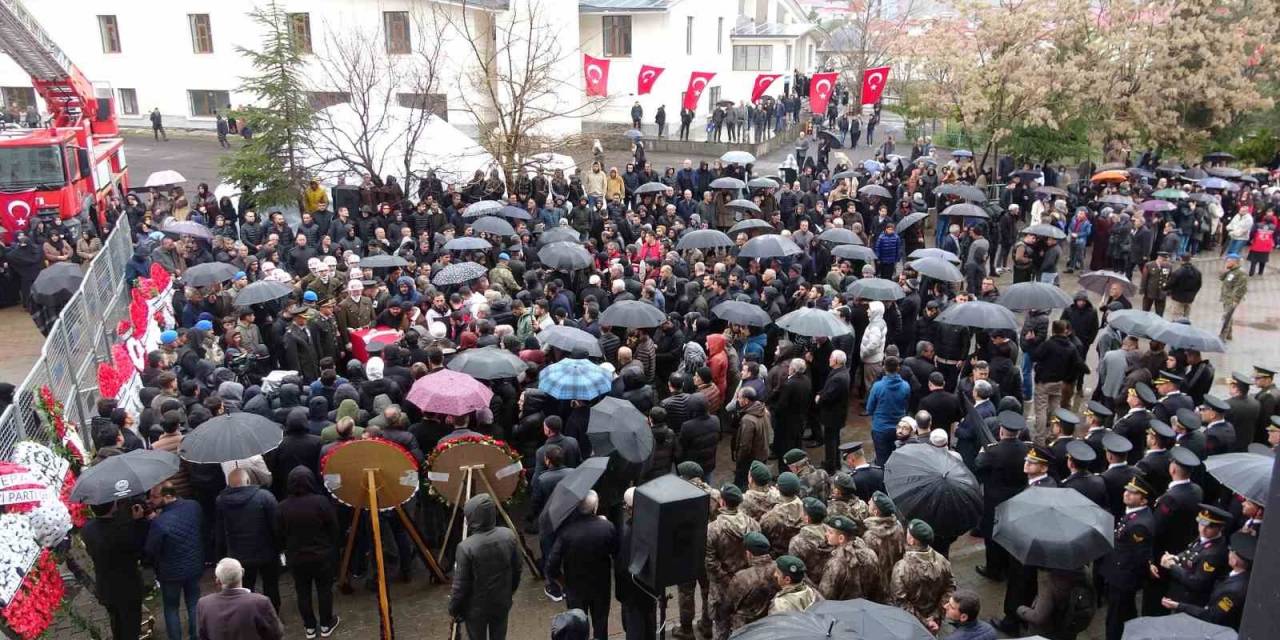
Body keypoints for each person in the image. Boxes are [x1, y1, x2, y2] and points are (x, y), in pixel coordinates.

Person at [277, 465, 340, 637]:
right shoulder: (321, 502)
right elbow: (333, 527)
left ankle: (310, 626)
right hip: (321, 555)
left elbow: (279, 533)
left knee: (302, 592)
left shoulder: (282, 507)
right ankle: (326, 623)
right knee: (324, 590)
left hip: (296, 557)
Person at [450, 494, 522, 640]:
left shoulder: (466, 547)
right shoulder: (508, 535)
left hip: (476, 609)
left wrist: (454, 608)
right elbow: (517, 568)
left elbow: (461, 585)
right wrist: (510, 591)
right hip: (502, 601)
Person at [547, 491, 616, 640]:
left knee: (575, 628)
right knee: (601, 625)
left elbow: (551, 566)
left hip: (575, 588)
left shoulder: (566, 532)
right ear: (595, 507)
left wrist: (563, 582)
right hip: (600, 587)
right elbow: (616, 552)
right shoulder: (607, 527)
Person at [82, 498, 149, 640]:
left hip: (106, 588)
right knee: (131, 627)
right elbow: (139, 547)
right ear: (113, 506)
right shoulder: (123, 529)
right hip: (128, 588)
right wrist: (138, 521)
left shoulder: (88, 529)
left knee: (117, 623)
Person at [215, 468, 281, 611]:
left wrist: (221, 554)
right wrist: (280, 547)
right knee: (271, 585)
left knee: (245, 588)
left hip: (239, 555)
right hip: (266, 551)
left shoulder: (221, 501)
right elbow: (276, 525)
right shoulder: (265, 497)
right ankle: (273, 614)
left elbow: (219, 530)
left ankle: (249, 615)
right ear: (248, 481)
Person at [1098, 475, 1155, 640]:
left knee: (1115, 620)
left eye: (1133, 493)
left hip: (1123, 579)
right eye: (1127, 490)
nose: (1126, 494)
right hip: (1118, 573)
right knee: (1126, 613)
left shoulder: (1139, 525)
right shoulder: (1133, 515)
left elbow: (1138, 558)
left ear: (1143, 501)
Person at [145, 483, 204, 640]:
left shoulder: (159, 522)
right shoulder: (194, 506)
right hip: (194, 566)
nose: (151, 500)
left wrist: (152, 521)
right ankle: (195, 636)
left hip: (170, 573)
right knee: (194, 604)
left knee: (171, 608)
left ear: (167, 496)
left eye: (155, 497)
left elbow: (151, 550)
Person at [974, 411, 1028, 581]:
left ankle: (994, 569)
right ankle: (1007, 565)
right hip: (1017, 498)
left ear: (1001, 431)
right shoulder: (1026, 448)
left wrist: (982, 451)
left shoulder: (993, 452)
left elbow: (978, 467)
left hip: (995, 501)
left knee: (992, 537)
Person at [1163, 531, 1254, 630]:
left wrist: (1179, 606)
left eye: (1231, 550)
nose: (1228, 552)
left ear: (1234, 560)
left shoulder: (1235, 591)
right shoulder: (1238, 575)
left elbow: (1212, 615)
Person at [704, 485, 759, 640]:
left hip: (721, 589)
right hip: (747, 585)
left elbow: (710, 563)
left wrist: (727, 580)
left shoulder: (712, 529)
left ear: (722, 502)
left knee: (721, 628)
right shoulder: (753, 524)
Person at [195, 558, 285, 640]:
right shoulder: (260, 602)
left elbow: (202, 635)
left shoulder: (204, 604)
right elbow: (276, 634)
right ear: (242, 572)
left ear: (218, 581)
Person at [891, 520, 956, 629]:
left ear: (912, 541)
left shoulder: (901, 568)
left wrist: (924, 621)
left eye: (908, 533)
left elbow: (899, 601)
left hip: (912, 621)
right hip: (935, 619)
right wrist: (936, 614)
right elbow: (950, 587)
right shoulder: (942, 560)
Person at [717, 532, 778, 636]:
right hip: (771, 624)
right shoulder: (780, 570)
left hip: (745, 628)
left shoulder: (742, 578)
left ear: (748, 553)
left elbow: (728, 607)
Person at [866, 356, 910, 464]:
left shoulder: (877, 386)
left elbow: (869, 408)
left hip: (880, 428)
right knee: (897, 460)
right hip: (899, 429)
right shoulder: (905, 386)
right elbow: (906, 405)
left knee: (882, 460)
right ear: (898, 368)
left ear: (884, 368)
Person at [816, 349, 851, 473]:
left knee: (830, 441)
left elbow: (829, 395)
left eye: (831, 357)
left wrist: (819, 398)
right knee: (834, 439)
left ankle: (830, 465)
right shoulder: (840, 372)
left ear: (836, 361)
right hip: (836, 414)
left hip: (833, 415)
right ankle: (835, 462)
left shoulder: (839, 377)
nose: (829, 359)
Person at [1218, 253, 1247, 340]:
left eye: (1228, 261)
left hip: (1232, 299)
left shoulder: (1240, 273)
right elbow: (1221, 278)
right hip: (1226, 298)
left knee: (1226, 317)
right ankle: (1229, 334)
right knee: (1229, 316)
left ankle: (1222, 336)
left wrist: (1235, 300)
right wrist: (1226, 270)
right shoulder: (1231, 271)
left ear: (1234, 262)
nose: (1226, 262)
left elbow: (1240, 288)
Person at [1140, 251, 1172, 316]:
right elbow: (1144, 279)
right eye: (1164, 260)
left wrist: (1169, 291)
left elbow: (1169, 278)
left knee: (1160, 313)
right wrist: (1142, 290)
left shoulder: (1169, 266)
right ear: (1159, 258)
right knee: (1145, 311)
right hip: (1150, 292)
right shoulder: (1149, 265)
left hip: (1162, 293)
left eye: (1166, 260)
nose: (1165, 262)